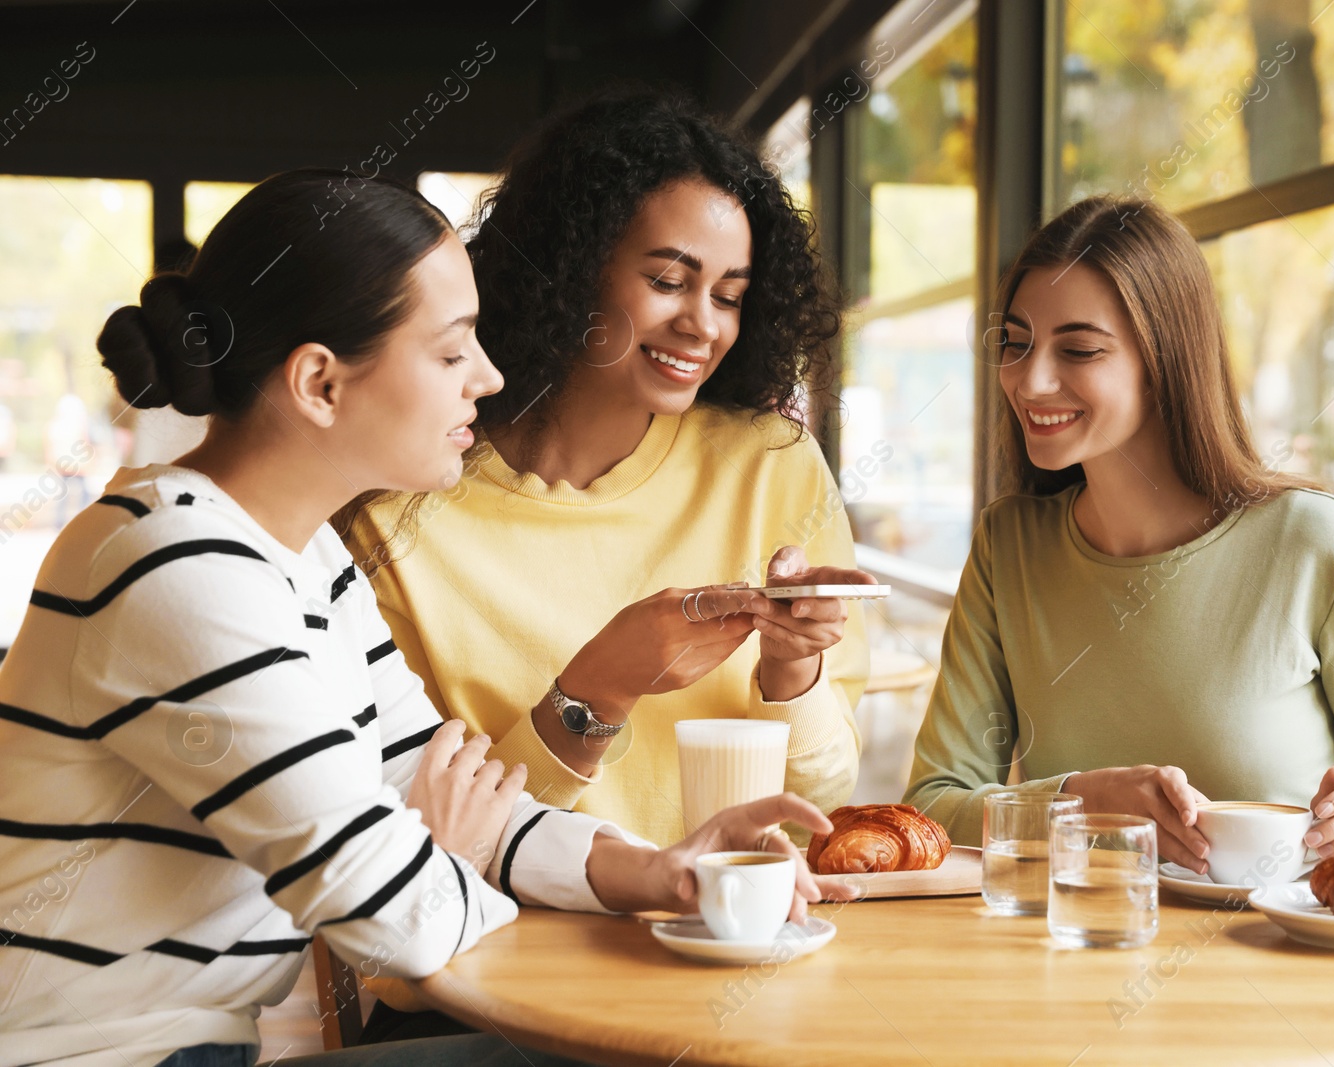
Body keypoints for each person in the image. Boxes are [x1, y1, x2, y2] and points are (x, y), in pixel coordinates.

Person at [0, 168, 851, 1067]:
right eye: (451, 353)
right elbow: (395, 921)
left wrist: (659, 869)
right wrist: (437, 848)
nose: (487, 377)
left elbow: (442, 791)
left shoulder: (303, 557)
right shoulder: (175, 568)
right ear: (321, 384)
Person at [903, 196, 1334, 891]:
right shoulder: (1010, 548)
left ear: (1166, 360)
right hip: (1080, 965)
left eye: (1079, 349)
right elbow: (930, 807)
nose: (1029, 379)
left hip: (1291, 976)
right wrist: (1077, 801)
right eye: (1016, 341)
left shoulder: (1312, 543)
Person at [341, 92, 872, 851]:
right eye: (667, 281)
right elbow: (418, 840)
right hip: (499, 954)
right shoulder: (404, 504)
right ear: (573, 265)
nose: (703, 323)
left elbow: (820, 797)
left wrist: (793, 668)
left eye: (729, 295)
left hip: (726, 938)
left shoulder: (770, 465)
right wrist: (596, 691)